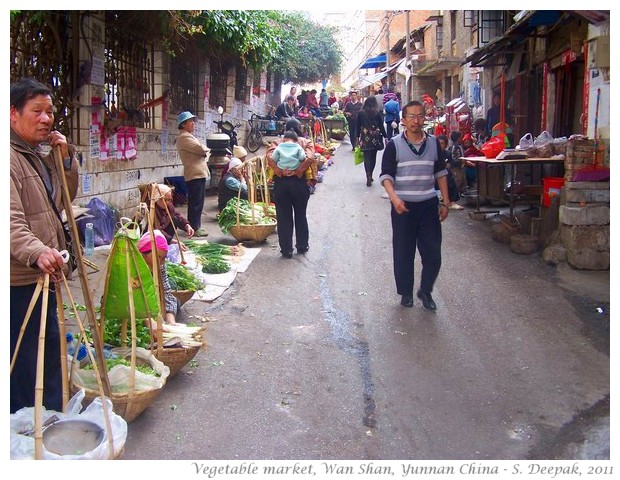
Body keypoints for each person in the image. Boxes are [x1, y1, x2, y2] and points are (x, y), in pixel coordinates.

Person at [10, 77, 79, 414]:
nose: (46, 118)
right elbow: (9, 222)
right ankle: (27, 435)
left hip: (44, 274)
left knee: (49, 350)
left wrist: (64, 160)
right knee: (25, 364)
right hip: (19, 281)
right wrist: (37, 251)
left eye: (49, 111)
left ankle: (50, 422)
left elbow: (63, 199)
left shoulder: (36, 153)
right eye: (36, 111)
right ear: (12, 114)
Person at [379, 100, 450, 311]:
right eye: (411, 116)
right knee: (403, 252)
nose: (415, 121)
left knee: (433, 253)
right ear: (403, 121)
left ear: (424, 118)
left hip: (428, 206)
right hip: (403, 207)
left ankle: (425, 290)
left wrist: (445, 202)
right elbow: (386, 176)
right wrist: (395, 198)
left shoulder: (434, 143)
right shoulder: (394, 145)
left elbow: (441, 174)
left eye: (419, 116)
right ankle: (406, 293)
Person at [267, 129, 315, 259]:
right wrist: (298, 171)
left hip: (281, 182)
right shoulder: (306, 142)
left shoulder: (277, 143)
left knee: (283, 216)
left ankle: (287, 250)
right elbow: (310, 157)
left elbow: (270, 158)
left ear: (284, 136)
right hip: (299, 182)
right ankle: (302, 246)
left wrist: (280, 171)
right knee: (300, 214)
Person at [176, 111, 210, 237]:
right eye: (190, 121)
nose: (193, 123)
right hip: (194, 174)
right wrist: (204, 150)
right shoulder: (184, 137)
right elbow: (202, 149)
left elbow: (202, 149)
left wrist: (203, 150)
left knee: (198, 201)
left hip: (198, 174)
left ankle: (195, 226)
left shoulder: (189, 136)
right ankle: (194, 227)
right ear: (183, 124)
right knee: (195, 202)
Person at [137, 230, 180, 327]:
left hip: (153, 309)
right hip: (134, 311)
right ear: (143, 253)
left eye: (163, 258)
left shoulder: (160, 266)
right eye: (157, 257)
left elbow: (166, 293)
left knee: (175, 302)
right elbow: (130, 300)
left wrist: (171, 322)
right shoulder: (132, 266)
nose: (159, 261)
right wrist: (147, 320)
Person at [149, 183, 195, 251]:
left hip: (165, 231)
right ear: (157, 198)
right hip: (153, 236)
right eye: (165, 200)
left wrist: (187, 225)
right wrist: (173, 241)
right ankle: (165, 244)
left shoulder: (169, 206)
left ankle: (167, 244)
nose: (167, 202)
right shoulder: (152, 209)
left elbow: (176, 215)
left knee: (175, 219)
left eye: (169, 200)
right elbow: (157, 229)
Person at [355, 95, 388, 186]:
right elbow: (381, 126)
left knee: (366, 157)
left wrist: (357, 137)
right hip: (375, 137)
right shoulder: (377, 113)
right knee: (373, 157)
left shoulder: (361, 113)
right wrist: (385, 137)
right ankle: (371, 174)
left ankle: (368, 175)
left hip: (365, 137)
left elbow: (358, 126)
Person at [437, 135, 464, 210]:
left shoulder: (447, 153)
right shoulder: (432, 154)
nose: (440, 145)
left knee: (448, 176)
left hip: (442, 173)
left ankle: (452, 201)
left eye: (442, 143)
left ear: (445, 145)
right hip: (433, 174)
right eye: (438, 143)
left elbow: (448, 165)